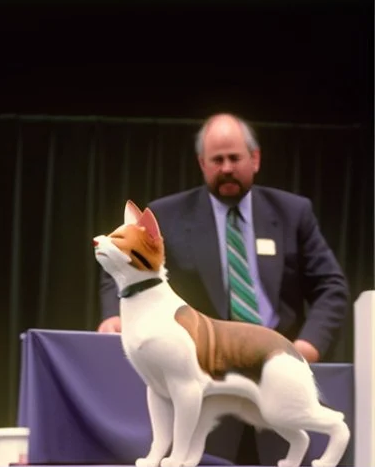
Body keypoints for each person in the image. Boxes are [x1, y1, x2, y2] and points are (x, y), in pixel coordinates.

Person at [98, 113, 349, 364]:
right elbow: (122, 264)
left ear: (255, 159)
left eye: (234, 158)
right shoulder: (167, 215)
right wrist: (114, 315)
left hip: (281, 361)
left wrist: (308, 346)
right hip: (199, 362)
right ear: (202, 164)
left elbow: (331, 286)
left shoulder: (293, 214)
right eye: (217, 160)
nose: (227, 168)